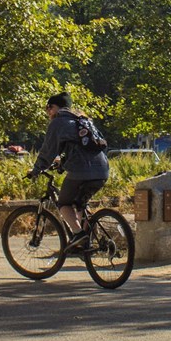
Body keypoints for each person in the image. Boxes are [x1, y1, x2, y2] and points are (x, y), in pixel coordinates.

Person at [28, 92, 110, 253]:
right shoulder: (84, 120)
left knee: (64, 203)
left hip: (81, 171)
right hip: (102, 170)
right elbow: (86, 147)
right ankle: (86, 242)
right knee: (80, 204)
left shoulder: (58, 122)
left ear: (56, 107)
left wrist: (36, 170)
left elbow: (47, 152)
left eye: (48, 108)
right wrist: (63, 163)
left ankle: (78, 234)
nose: (48, 112)